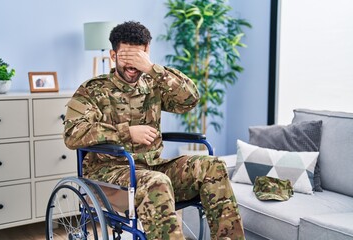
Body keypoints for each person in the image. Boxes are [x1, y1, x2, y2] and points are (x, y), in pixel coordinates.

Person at [64, 21, 245, 240]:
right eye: (125, 57)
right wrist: (126, 132)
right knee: (155, 181)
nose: (132, 65)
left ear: (147, 53)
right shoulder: (92, 89)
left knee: (212, 166)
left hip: (153, 167)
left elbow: (190, 99)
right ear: (113, 55)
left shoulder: (153, 82)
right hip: (110, 175)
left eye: (137, 57)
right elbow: (73, 134)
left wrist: (152, 68)